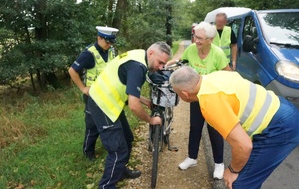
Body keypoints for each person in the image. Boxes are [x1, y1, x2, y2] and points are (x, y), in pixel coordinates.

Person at [169, 66, 299, 189]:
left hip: (280, 128)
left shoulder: (209, 102)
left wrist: (232, 170)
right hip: (281, 107)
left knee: (240, 184)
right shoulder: (214, 76)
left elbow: (243, 146)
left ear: (185, 94)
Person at [87, 42, 171, 188]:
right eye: (160, 62)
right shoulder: (138, 67)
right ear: (151, 53)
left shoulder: (139, 54)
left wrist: (145, 101)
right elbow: (133, 105)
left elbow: (128, 86)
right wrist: (151, 120)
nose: (161, 67)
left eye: (164, 64)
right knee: (118, 151)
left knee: (127, 139)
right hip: (102, 104)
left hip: (111, 102)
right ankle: (106, 186)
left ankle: (119, 171)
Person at [166, 22, 230, 179]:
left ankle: (219, 164)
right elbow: (180, 58)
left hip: (213, 98)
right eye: (195, 36)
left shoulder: (217, 54)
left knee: (214, 131)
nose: (197, 41)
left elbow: (228, 74)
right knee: (195, 127)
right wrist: (169, 63)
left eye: (200, 38)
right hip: (196, 96)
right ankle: (192, 158)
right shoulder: (192, 49)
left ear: (210, 39)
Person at [68, 26, 119, 161]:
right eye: (107, 41)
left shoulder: (111, 50)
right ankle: (88, 152)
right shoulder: (89, 54)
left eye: (111, 42)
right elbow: (72, 71)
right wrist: (83, 88)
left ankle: (110, 148)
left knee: (110, 122)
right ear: (99, 38)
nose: (109, 45)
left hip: (108, 95)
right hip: (93, 97)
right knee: (92, 126)